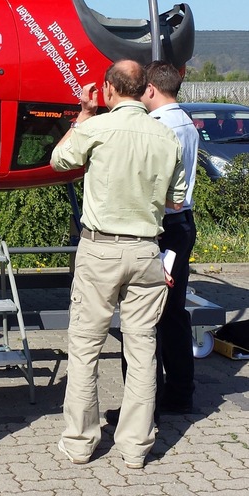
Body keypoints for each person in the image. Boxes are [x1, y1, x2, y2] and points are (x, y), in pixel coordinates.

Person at [50, 60, 187, 469]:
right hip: (146, 249)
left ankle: (79, 442)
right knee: (142, 346)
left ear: (109, 88)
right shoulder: (166, 135)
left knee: (85, 346)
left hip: (100, 248)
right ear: (144, 87)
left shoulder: (96, 127)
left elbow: (60, 160)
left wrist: (84, 114)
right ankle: (135, 448)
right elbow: (176, 201)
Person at [105, 62, 199, 424]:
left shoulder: (158, 128)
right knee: (172, 314)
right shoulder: (185, 121)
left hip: (162, 227)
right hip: (179, 225)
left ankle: (143, 407)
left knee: (143, 318)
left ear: (149, 91)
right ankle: (179, 392)